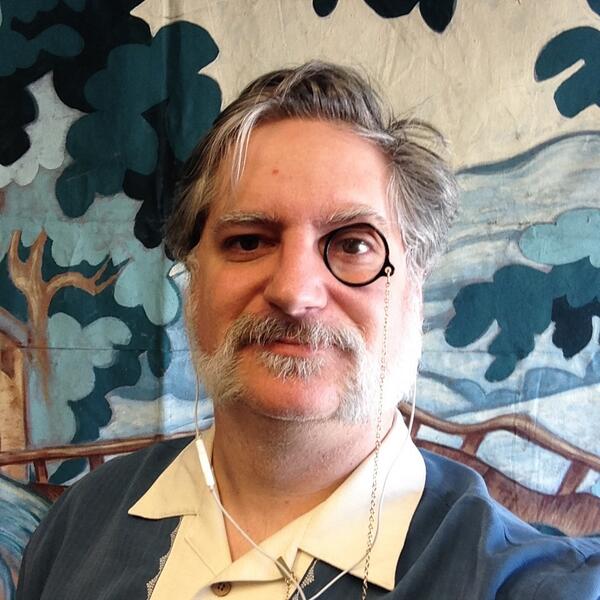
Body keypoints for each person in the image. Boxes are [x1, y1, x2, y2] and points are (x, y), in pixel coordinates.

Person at [17, 61, 600, 599]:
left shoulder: (526, 583)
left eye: (353, 245)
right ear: (194, 284)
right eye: (248, 241)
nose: (295, 293)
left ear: (414, 292)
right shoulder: (78, 525)